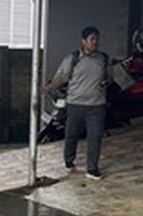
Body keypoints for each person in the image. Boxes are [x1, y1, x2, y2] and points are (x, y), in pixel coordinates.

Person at [42, 26, 109, 180]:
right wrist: (47, 89)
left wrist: (106, 82)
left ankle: (92, 169)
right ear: (83, 41)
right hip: (75, 105)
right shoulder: (72, 59)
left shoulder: (103, 59)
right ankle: (69, 159)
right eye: (92, 39)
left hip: (96, 106)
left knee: (95, 136)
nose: (95, 42)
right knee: (72, 135)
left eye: (96, 39)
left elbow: (109, 77)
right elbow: (60, 77)